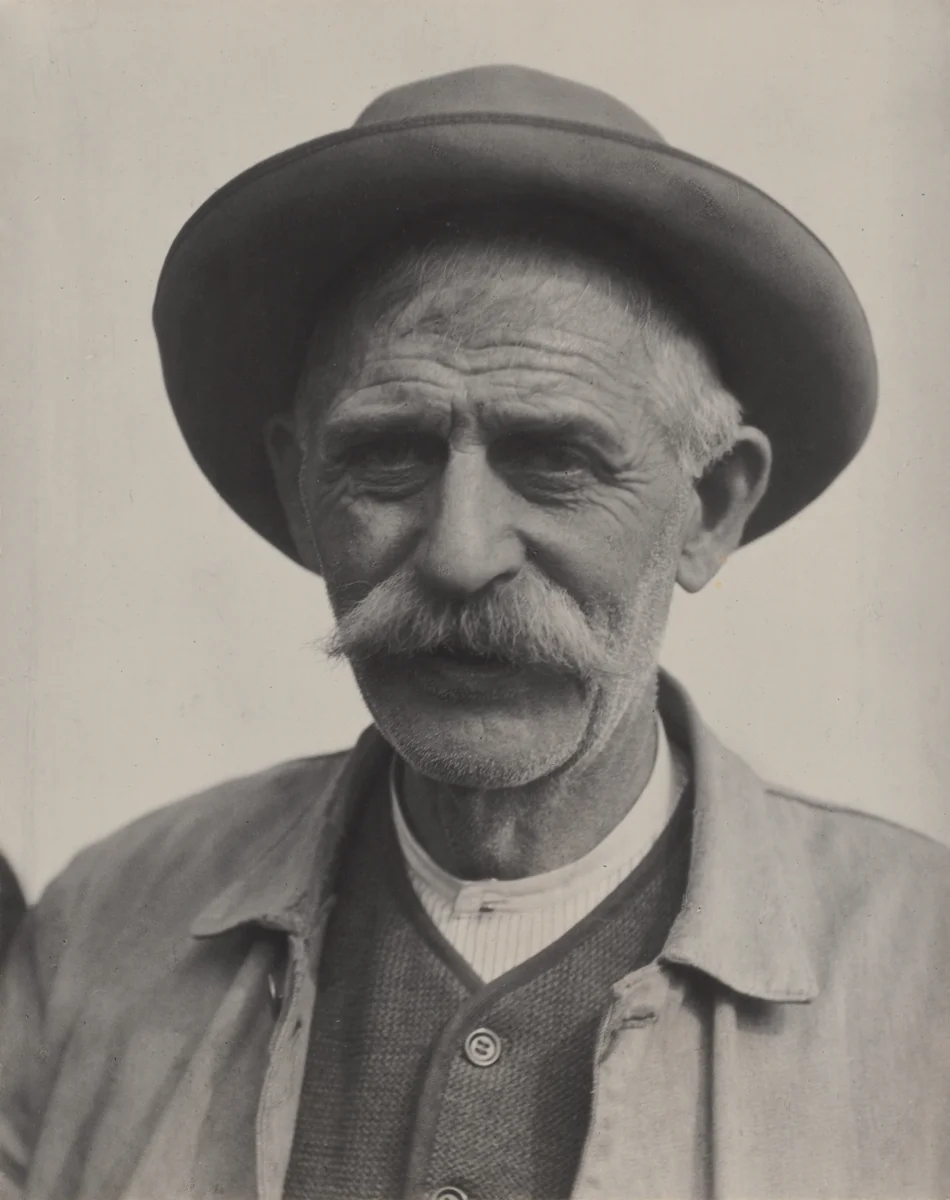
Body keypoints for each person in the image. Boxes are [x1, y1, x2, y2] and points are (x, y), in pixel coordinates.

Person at [0, 64, 947, 1200]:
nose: (458, 551)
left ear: (709, 507)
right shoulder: (100, 936)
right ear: (299, 491)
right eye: (386, 456)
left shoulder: (921, 971)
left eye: (552, 460)